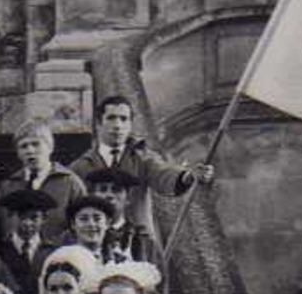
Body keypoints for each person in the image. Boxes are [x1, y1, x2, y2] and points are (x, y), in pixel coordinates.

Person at [66, 93, 214, 253]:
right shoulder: (80, 166)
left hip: (138, 244)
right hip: (94, 245)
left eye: (124, 119)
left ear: (130, 124)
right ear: (98, 124)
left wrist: (188, 177)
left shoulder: (143, 158)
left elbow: (163, 173)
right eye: (111, 118)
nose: (117, 125)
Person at [0, 119, 87, 243]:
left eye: (36, 144)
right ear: (18, 153)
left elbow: (83, 222)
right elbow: (3, 228)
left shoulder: (70, 183)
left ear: (50, 147)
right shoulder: (8, 186)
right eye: (23, 146)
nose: (30, 151)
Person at [0, 188, 57, 294]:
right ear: (10, 216)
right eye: (21, 217)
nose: (27, 223)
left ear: (44, 218)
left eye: (34, 217)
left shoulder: (53, 252)